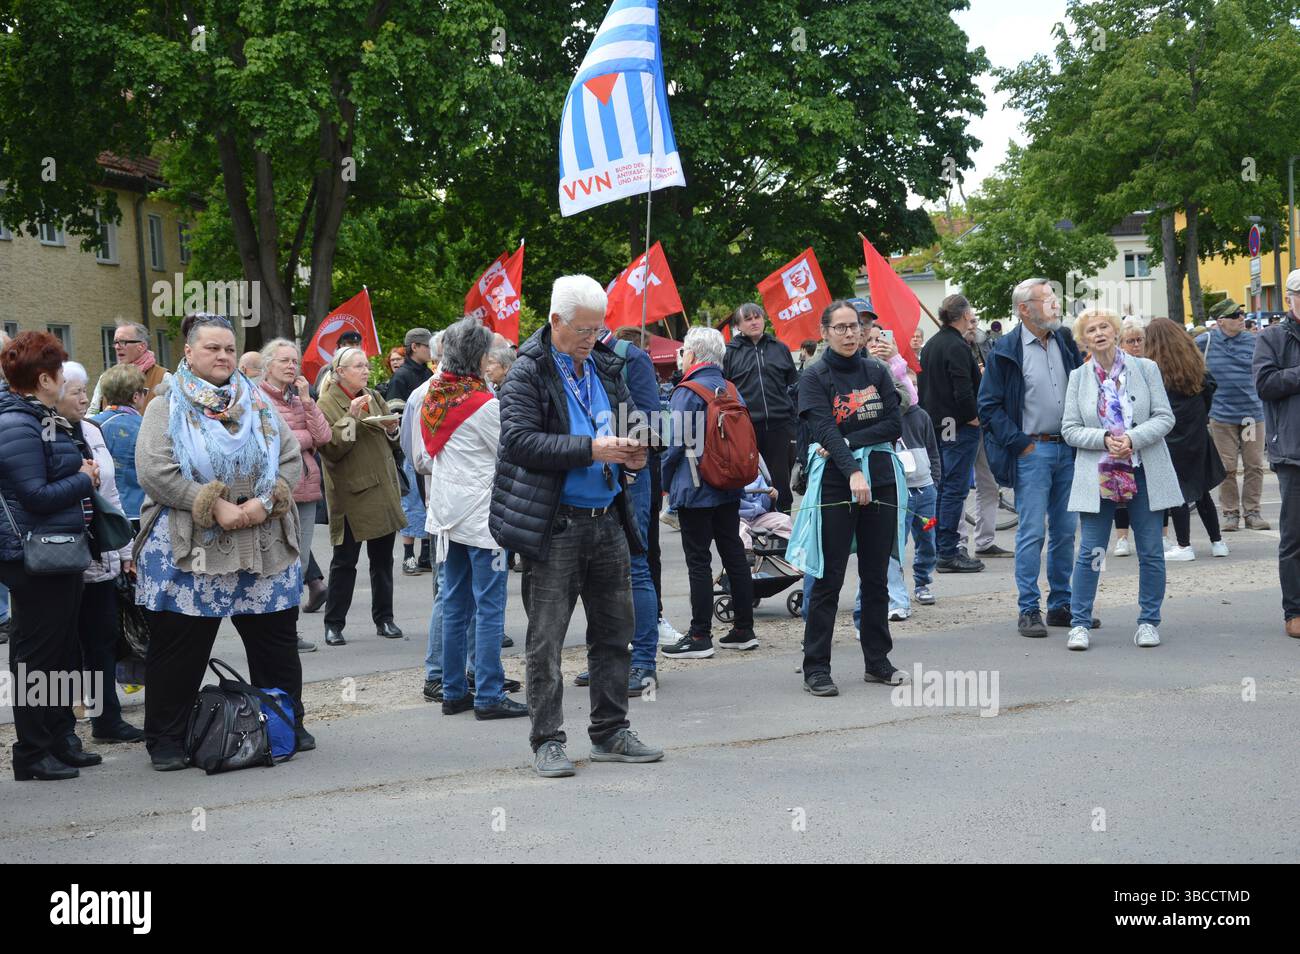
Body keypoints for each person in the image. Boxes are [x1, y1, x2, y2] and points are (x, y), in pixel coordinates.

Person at [489, 274, 663, 779]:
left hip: (607, 515)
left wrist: (635, 452)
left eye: (598, 329)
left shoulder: (607, 366)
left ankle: (610, 731)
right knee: (546, 640)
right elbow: (520, 442)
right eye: (583, 330)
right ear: (555, 321)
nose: (592, 339)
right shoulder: (528, 371)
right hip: (555, 524)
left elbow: (630, 425)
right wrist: (593, 448)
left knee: (615, 632)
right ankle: (547, 740)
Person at [133, 313, 311, 771]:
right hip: (193, 548)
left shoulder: (258, 403)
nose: (223, 356)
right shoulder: (165, 406)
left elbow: (290, 459)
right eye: (212, 348)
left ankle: (283, 722)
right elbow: (155, 471)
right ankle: (167, 740)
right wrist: (212, 504)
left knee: (275, 642)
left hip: (263, 540)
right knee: (180, 648)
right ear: (188, 353)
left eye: (229, 349)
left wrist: (266, 502)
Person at [410, 318, 526, 720]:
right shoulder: (484, 404)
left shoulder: (432, 397)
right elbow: (511, 454)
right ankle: (489, 694)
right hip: (482, 516)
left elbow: (423, 459)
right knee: (490, 605)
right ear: (480, 358)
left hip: (444, 515)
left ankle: (454, 690)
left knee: (455, 602)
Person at [793, 299, 907, 695]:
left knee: (876, 576)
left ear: (862, 331)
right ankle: (816, 668)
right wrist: (853, 468)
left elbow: (893, 423)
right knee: (828, 577)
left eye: (853, 327)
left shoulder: (875, 370)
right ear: (825, 332)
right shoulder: (815, 375)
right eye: (839, 327)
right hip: (836, 485)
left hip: (882, 480)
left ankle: (877, 660)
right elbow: (823, 431)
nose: (847, 334)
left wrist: (851, 440)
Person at [0, 332, 99, 780]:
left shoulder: (37, 416)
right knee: (37, 657)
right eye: (59, 370)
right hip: (31, 557)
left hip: (56, 552)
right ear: (43, 379)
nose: (64, 377)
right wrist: (85, 478)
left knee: (59, 651)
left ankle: (59, 738)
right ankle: (32, 752)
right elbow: (36, 495)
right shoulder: (16, 423)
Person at [1061, 309, 1179, 651]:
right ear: (1084, 340)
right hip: (1099, 473)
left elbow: (1164, 417)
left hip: (1142, 468)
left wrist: (1133, 438)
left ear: (1115, 333)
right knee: (1092, 551)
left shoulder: (1145, 369)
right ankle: (1080, 623)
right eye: (1091, 330)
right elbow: (1069, 429)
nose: (1099, 333)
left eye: (1104, 327)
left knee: (1151, 550)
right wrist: (1102, 439)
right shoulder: (1079, 377)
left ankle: (1148, 621)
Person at [979, 277, 1090, 638]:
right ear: (1025, 309)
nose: (1056, 305)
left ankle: (1061, 604)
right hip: (1032, 450)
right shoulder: (1006, 350)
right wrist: (1020, 444)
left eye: (1055, 298)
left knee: (1064, 530)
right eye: (1047, 300)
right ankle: (1029, 608)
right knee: (1030, 533)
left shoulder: (1066, 341)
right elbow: (989, 406)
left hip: (1068, 448)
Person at [56, 362, 143, 744]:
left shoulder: (92, 429)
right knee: (62, 645)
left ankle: (107, 719)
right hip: (61, 558)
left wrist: (126, 550)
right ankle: (61, 730)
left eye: (84, 388)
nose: (82, 396)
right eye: (73, 389)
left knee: (103, 637)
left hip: (101, 554)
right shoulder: (45, 433)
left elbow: (110, 495)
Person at [661, 326, 759, 660]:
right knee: (733, 553)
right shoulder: (730, 388)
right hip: (729, 485)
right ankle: (743, 629)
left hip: (696, 485)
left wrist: (663, 481)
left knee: (699, 560)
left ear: (692, 354)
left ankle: (700, 634)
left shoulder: (687, 391)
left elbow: (675, 444)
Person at [317, 345, 406, 646]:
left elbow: (391, 444)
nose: (366, 370)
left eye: (366, 365)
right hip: (351, 494)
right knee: (344, 563)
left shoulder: (375, 396)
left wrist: (393, 430)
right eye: (358, 366)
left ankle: (385, 619)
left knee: (383, 561)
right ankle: (333, 624)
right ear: (340, 372)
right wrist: (352, 419)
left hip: (382, 488)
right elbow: (331, 450)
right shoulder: (327, 402)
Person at [259, 338, 333, 649]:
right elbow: (272, 441)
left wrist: (307, 400)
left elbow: (324, 436)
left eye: (294, 361)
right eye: (284, 361)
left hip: (306, 489)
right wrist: (305, 441)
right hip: (276, 491)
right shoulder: (257, 397)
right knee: (277, 564)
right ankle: (275, 631)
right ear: (268, 365)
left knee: (300, 564)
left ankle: (290, 630)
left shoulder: (299, 397)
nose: (291, 366)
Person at [1144, 318, 1228, 561]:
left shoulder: (1153, 370)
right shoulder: (1194, 364)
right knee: (1202, 491)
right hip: (1197, 434)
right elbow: (1209, 390)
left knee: (1177, 492)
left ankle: (1184, 545)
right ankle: (1217, 542)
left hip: (1171, 436)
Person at [918, 293, 985, 573]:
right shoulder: (956, 346)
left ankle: (940, 547)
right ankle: (946, 550)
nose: (972, 318)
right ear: (962, 315)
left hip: (938, 425)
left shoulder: (932, 344)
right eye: (970, 313)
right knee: (953, 490)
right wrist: (973, 417)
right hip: (957, 427)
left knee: (944, 488)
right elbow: (963, 389)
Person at [1252, 268, 1300, 638]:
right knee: (1294, 536)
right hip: (1293, 452)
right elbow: (1266, 384)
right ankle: (1295, 610)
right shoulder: (1272, 338)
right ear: (1289, 300)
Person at [1198, 298, 1269, 531]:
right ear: (1220, 321)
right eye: (1235, 315)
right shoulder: (1204, 342)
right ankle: (1230, 514)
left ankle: (1252, 512)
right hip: (1222, 416)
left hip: (1251, 415)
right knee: (1227, 467)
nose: (1241, 318)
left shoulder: (1254, 341)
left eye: (1241, 314)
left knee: (1254, 464)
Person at [723, 302, 799, 512]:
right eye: (748, 319)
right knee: (749, 481)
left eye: (757, 317)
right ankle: (752, 529)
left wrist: (793, 420)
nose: (754, 322)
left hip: (780, 426)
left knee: (781, 483)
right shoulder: (729, 353)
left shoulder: (780, 348)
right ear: (738, 325)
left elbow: (794, 386)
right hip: (745, 428)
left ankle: (783, 531)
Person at [886, 375, 940, 621]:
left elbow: (932, 450)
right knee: (898, 542)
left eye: (913, 385)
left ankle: (923, 581)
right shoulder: (890, 417)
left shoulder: (922, 416)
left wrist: (935, 481)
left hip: (926, 489)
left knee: (928, 538)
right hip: (901, 492)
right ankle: (897, 591)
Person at [90, 364, 149, 526]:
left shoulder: (90, 425)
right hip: (137, 510)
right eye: (144, 391)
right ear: (136, 396)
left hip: (101, 510)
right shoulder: (146, 426)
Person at [1112, 318, 1147, 556]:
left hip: (1143, 439)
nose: (1135, 344)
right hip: (1117, 440)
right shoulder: (1112, 369)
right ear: (1120, 343)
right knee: (1120, 493)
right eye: (1130, 341)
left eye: (1139, 340)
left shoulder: (1149, 367)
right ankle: (1122, 538)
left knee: (1149, 493)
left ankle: (1160, 538)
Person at [88, 321, 172, 413]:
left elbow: (177, 416)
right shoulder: (106, 378)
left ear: (142, 346)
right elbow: (92, 413)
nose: (117, 347)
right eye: (115, 342)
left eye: (123, 342)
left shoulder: (163, 377)